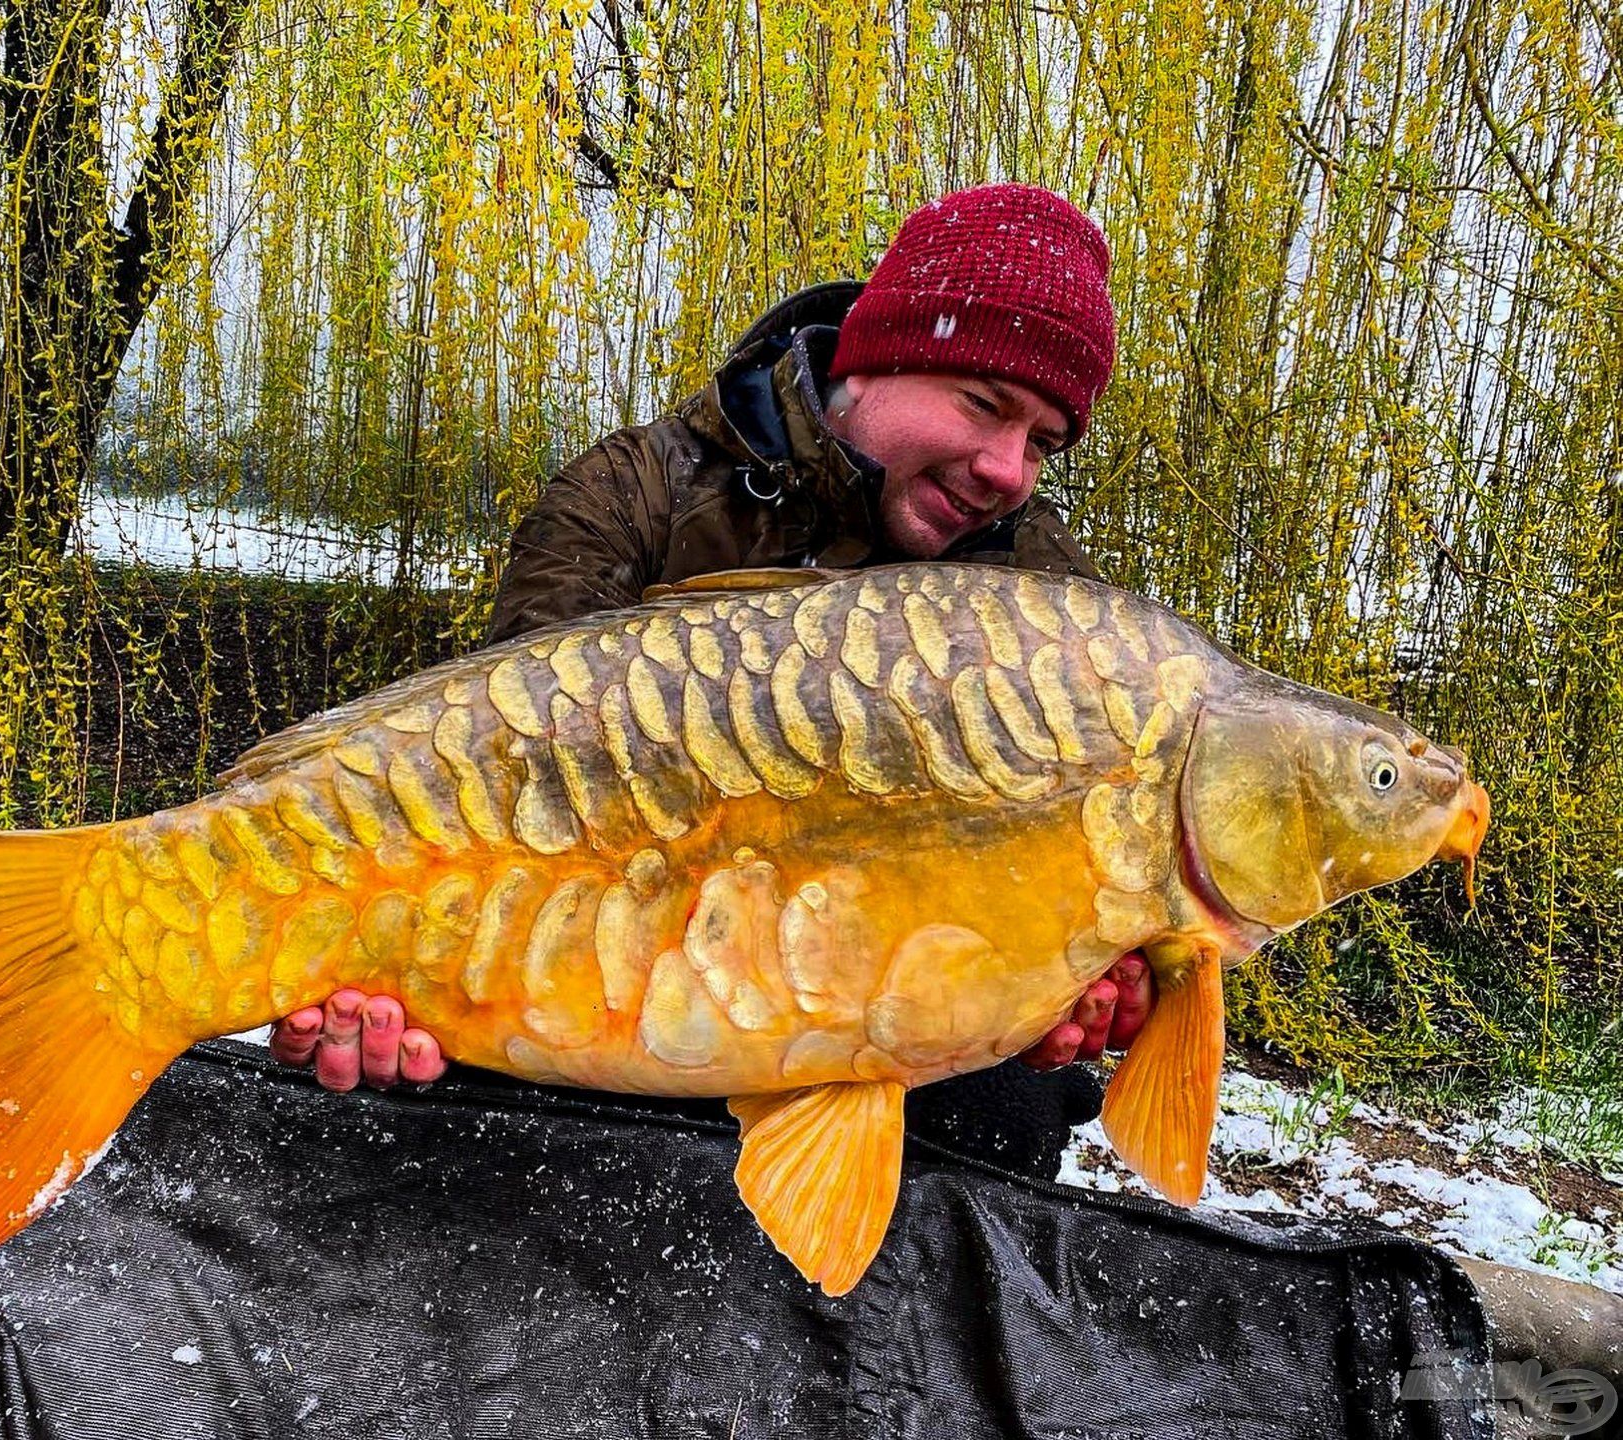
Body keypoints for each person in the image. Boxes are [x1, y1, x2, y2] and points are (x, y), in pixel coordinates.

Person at [268, 183, 1159, 1176]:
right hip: (619, 941)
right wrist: (382, 966)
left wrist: (1071, 984)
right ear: (869, 365)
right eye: (982, 405)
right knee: (443, 1062)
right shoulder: (634, 495)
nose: (1005, 468)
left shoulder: (1047, 601)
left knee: (1014, 1100)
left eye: (1041, 442)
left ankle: (839, 1316)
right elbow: (499, 785)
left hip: (885, 996)